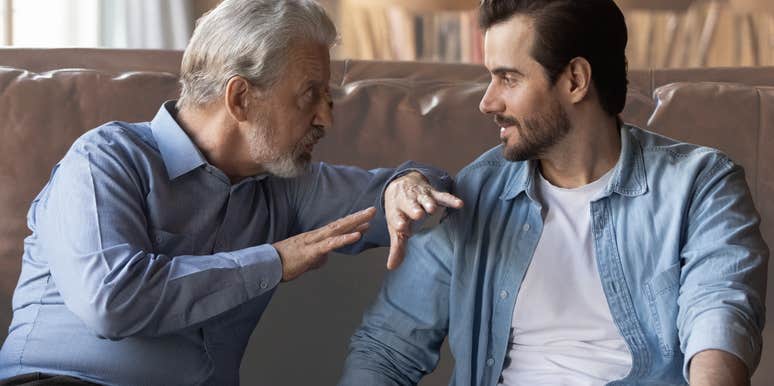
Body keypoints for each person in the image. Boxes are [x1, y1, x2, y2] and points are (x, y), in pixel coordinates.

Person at [0, 1, 463, 385]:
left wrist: (409, 185)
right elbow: (112, 302)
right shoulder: (105, 160)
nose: (326, 118)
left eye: (329, 98)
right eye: (310, 95)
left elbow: (414, 193)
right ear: (240, 98)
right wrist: (274, 261)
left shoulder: (286, 187)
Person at [339, 1, 768, 385]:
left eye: (508, 78)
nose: (487, 102)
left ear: (576, 80)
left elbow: (719, 314)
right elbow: (386, 350)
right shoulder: (476, 194)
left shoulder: (700, 184)